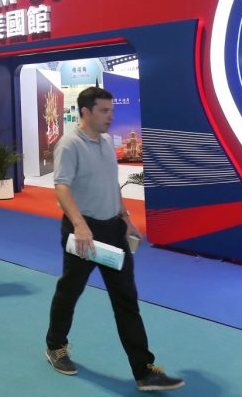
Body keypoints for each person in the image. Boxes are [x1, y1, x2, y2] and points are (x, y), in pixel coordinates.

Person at [44, 86, 184, 392]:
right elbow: (62, 187)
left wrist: (125, 218)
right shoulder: (69, 144)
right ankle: (55, 346)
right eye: (104, 111)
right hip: (83, 233)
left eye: (112, 110)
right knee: (70, 292)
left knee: (126, 300)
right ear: (86, 112)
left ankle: (144, 372)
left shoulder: (107, 141)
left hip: (113, 231)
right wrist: (80, 225)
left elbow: (110, 184)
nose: (111, 116)